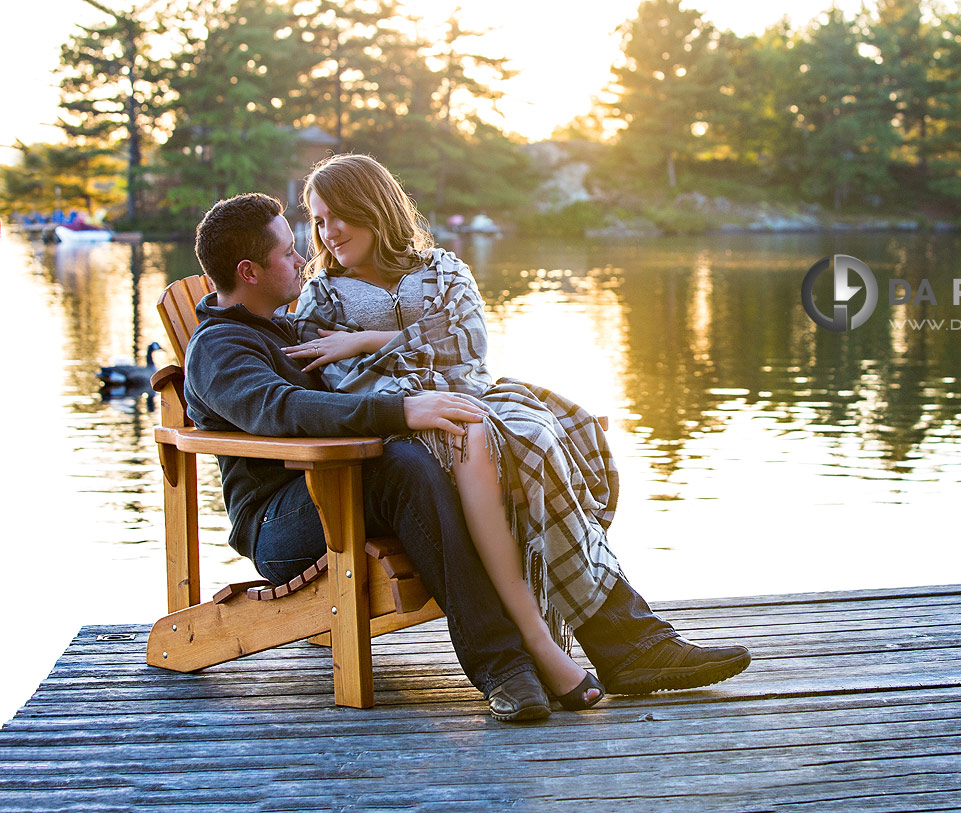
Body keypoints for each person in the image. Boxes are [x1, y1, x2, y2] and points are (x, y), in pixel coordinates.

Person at [187, 192, 750, 722]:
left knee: (506, 446)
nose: (303, 255)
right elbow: (283, 407)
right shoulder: (217, 349)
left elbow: (384, 363)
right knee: (408, 466)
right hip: (284, 522)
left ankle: (625, 641)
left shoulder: (285, 325)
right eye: (288, 251)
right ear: (249, 272)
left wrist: (395, 366)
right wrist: (404, 411)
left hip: (346, 485)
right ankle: (512, 664)